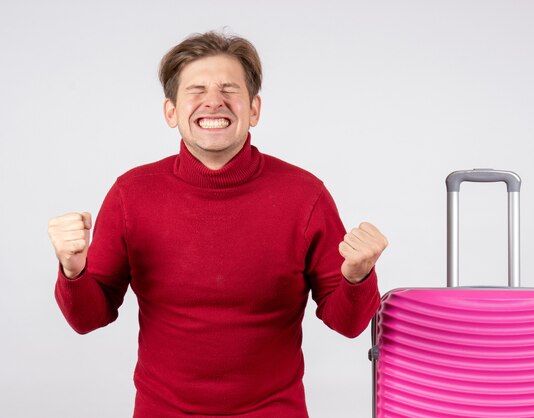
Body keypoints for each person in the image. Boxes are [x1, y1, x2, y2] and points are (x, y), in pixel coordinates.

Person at [47, 31, 388, 418]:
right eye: (196, 90)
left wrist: (359, 277)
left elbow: (348, 324)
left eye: (229, 88)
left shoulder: (304, 195)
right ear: (171, 111)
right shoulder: (131, 194)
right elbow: (89, 318)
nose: (213, 101)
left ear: (254, 109)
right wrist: (72, 270)